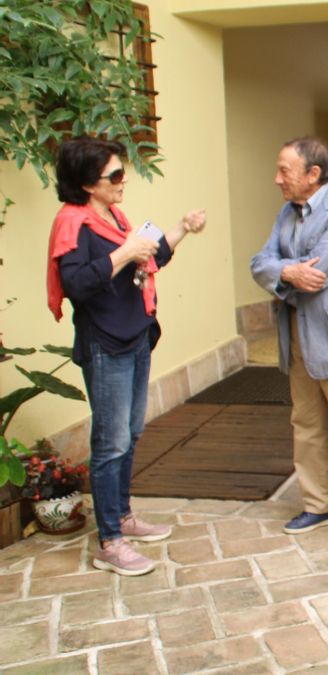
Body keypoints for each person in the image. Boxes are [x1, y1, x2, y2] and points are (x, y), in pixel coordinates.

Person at [47, 137, 206, 576]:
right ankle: (110, 542)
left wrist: (181, 228)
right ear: (86, 183)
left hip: (135, 333)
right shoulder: (72, 223)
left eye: (122, 172)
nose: (123, 181)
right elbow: (77, 283)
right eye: (114, 176)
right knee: (109, 442)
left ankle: (122, 516)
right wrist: (124, 252)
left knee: (130, 434)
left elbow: (149, 256)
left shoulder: (113, 216)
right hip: (106, 341)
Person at [251, 137, 328, 546]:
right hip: (299, 339)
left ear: (313, 174)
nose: (277, 179)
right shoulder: (287, 213)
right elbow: (260, 264)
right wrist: (287, 273)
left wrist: (279, 273)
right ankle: (321, 504)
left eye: (284, 171)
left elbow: (318, 273)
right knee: (306, 426)